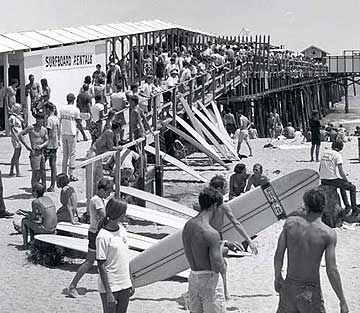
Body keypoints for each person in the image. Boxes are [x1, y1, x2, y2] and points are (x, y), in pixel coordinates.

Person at [274, 188, 349, 313]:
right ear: (324, 206)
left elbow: (279, 254)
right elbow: (332, 269)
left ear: (305, 204)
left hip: (288, 288)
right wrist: (342, 300)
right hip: (310, 292)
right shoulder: (328, 234)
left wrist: (277, 277)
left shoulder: (290, 224)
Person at [65, 177, 113, 298]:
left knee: (98, 261)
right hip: (96, 233)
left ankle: (108, 286)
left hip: (94, 232)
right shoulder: (97, 200)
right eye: (108, 192)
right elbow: (103, 215)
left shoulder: (97, 199)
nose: (108, 194)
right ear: (102, 190)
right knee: (92, 262)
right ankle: (72, 286)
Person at [182, 187, 228, 312]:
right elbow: (217, 267)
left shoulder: (188, 226)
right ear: (214, 206)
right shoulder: (211, 233)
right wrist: (222, 248)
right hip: (209, 281)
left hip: (193, 277)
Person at [96, 198, 135, 313]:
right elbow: (101, 266)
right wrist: (108, 292)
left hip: (124, 283)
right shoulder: (103, 236)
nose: (125, 215)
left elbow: (125, 257)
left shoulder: (122, 230)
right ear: (117, 213)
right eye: (124, 212)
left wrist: (130, 280)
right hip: (111, 285)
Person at [319, 140, 360, 217]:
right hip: (331, 180)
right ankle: (354, 209)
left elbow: (320, 168)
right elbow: (341, 172)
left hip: (323, 179)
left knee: (342, 185)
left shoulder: (324, 153)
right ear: (341, 148)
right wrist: (347, 181)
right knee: (352, 188)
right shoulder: (337, 155)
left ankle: (347, 205)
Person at [21, 183, 57, 249]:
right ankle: (32, 241)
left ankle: (25, 245)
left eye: (32, 191)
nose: (32, 192)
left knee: (24, 221)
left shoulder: (35, 202)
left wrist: (25, 215)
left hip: (45, 229)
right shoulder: (48, 198)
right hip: (54, 228)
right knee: (33, 221)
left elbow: (33, 217)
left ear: (35, 192)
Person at [19, 112, 48, 188]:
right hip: (34, 153)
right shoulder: (31, 128)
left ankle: (43, 188)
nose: (39, 121)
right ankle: (34, 190)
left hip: (41, 152)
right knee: (35, 172)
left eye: (40, 119)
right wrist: (27, 146)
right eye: (37, 119)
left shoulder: (44, 129)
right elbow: (21, 134)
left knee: (43, 171)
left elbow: (47, 140)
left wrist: (41, 145)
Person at [60, 94, 81, 182]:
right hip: (71, 133)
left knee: (65, 155)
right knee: (72, 154)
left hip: (63, 132)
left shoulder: (62, 108)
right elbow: (78, 120)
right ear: (73, 100)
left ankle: (64, 173)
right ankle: (71, 174)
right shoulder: (75, 109)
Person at [44, 102, 60, 192]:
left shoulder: (49, 119)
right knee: (53, 165)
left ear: (48, 109)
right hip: (55, 145)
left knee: (42, 164)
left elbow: (48, 133)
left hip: (49, 145)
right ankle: (52, 185)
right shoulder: (56, 118)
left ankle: (42, 184)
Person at [9, 104, 23, 177]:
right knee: (16, 153)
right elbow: (11, 128)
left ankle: (11, 170)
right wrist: (16, 136)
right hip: (16, 137)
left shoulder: (18, 117)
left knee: (17, 154)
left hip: (19, 136)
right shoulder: (12, 117)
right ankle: (17, 171)